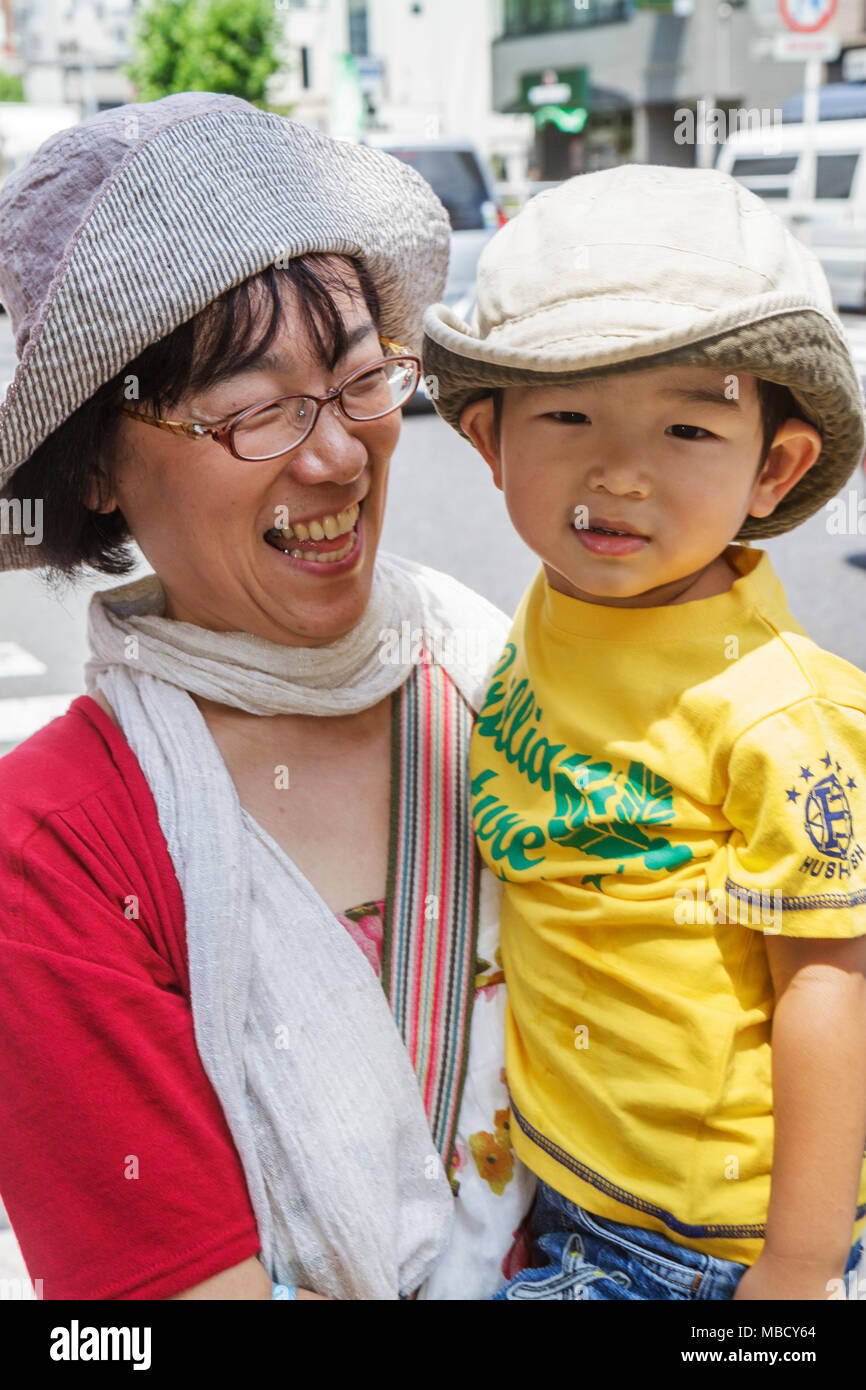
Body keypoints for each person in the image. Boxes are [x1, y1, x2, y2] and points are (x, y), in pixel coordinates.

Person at [0, 92, 534, 1301]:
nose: (338, 453)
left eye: (357, 381)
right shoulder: (53, 849)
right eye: (249, 408)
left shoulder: (513, 692)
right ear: (94, 464)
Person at [421, 163, 866, 1300]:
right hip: (553, 1178)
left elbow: (830, 982)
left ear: (773, 466)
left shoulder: (777, 715)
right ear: (488, 439)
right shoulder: (559, 602)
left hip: (690, 1247)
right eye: (567, 414)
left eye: (683, 426)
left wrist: (798, 1268)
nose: (616, 472)